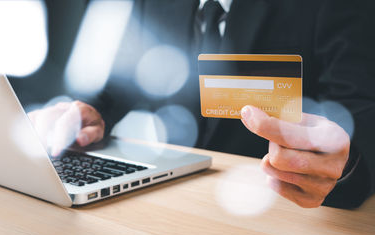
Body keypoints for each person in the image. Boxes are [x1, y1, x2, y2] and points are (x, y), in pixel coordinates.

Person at [29, 0, 375, 209]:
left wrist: (339, 166)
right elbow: (121, 83)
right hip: (175, 199)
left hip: (277, 204)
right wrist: (89, 112)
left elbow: (358, 116)